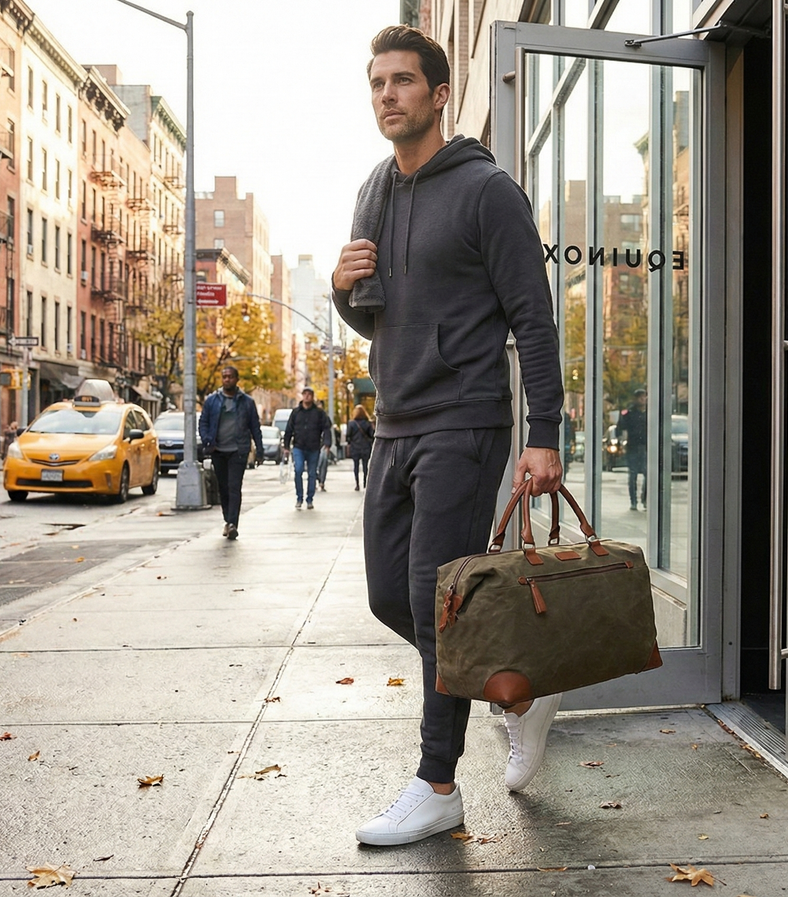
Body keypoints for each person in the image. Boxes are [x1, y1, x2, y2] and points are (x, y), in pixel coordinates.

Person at [332, 25, 564, 846]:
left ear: (438, 95)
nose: (386, 94)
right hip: (394, 421)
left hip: (464, 419)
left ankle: (438, 783)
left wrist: (545, 432)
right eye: (376, 82)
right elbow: (375, 318)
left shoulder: (487, 191)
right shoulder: (374, 190)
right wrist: (340, 289)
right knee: (389, 596)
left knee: (441, 604)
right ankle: (515, 688)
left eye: (401, 81)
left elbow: (533, 319)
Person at [198, 366, 264, 541]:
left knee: (234, 487)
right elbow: (203, 422)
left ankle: (233, 523)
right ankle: (227, 520)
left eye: (230, 377)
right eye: (224, 377)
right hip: (218, 450)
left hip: (238, 450)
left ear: (237, 379)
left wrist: (259, 450)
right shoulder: (212, 401)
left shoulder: (247, 402)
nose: (227, 379)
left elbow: (255, 427)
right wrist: (207, 440)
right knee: (223, 488)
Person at [283, 388, 331, 510]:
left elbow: (326, 428)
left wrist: (327, 443)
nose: (307, 396)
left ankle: (310, 498)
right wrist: (286, 446)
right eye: (305, 394)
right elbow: (289, 430)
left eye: (309, 394)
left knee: (312, 473)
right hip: (299, 446)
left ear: (312, 396)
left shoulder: (319, 413)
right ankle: (299, 497)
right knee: (298, 470)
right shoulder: (296, 413)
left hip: (313, 447)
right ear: (302, 396)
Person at [616, 388, 648, 511]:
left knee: (648, 474)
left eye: (644, 397)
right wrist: (623, 442)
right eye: (641, 397)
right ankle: (633, 501)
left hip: (646, 447)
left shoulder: (650, 412)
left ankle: (645, 499)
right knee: (633, 474)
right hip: (633, 447)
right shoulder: (629, 414)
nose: (643, 399)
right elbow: (621, 429)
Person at [346, 404, 375, 490]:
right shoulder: (367, 423)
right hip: (366, 447)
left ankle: (357, 484)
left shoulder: (351, 423)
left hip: (355, 447)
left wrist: (351, 442)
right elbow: (372, 435)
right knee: (365, 466)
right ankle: (365, 483)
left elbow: (348, 436)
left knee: (356, 466)